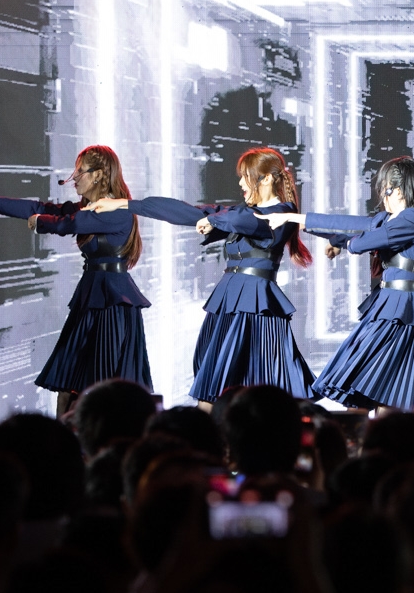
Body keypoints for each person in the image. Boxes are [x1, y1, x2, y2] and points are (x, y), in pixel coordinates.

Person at [0, 145, 150, 409]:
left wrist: (41, 222)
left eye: (79, 172)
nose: (74, 179)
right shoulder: (88, 208)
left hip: (112, 304)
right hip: (91, 299)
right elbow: (39, 207)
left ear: (98, 175)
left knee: (102, 390)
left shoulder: (117, 210)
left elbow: (72, 223)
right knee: (67, 387)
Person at [258, 156, 414, 411]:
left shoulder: (412, 219)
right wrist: (296, 219)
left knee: (383, 385)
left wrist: (345, 243)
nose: (383, 196)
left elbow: (362, 242)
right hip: (392, 307)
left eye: (386, 190)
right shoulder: (394, 218)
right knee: (382, 386)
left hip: (402, 311)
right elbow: (350, 224)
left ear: (399, 191)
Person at [124, 147, 314, 404]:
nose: (241, 183)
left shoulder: (282, 213)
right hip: (228, 301)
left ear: (267, 178)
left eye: (245, 176)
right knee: (213, 379)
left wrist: (215, 221)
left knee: (249, 379)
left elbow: (248, 221)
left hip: (255, 305)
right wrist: (127, 205)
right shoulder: (239, 213)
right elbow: (190, 213)